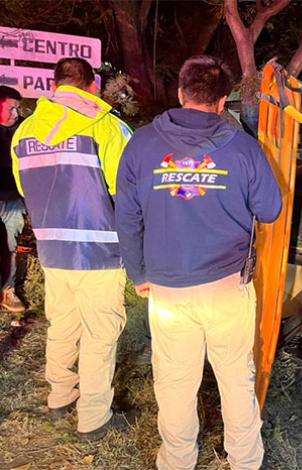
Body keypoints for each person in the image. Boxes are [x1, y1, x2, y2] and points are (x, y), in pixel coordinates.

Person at [116, 55, 282, 470]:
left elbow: (127, 216)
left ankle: (177, 461)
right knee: (236, 379)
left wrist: (138, 273)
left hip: (167, 291)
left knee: (174, 382)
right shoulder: (244, 148)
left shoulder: (141, 145)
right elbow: (271, 210)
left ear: (180, 93)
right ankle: (245, 461)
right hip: (228, 288)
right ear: (223, 101)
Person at [11, 58, 132, 440]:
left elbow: (22, 186)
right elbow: (125, 188)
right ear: (92, 85)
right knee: (100, 332)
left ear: (54, 85)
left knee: (62, 324)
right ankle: (94, 417)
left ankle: (60, 396)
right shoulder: (106, 125)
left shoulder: (24, 131)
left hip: (52, 249)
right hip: (99, 250)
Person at [0, 86, 27, 314]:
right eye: (11, 108)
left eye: (17, 108)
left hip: (14, 198)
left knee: (11, 244)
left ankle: (8, 290)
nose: (16, 114)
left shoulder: (24, 128)